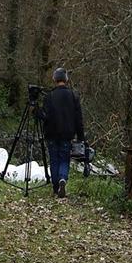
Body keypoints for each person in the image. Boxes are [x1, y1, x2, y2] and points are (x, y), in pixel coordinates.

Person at [38, 68, 85, 198]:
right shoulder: (73, 96)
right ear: (66, 79)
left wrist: (36, 111)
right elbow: (78, 118)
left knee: (54, 160)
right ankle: (62, 178)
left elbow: (44, 115)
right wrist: (81, 137)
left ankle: (55, 187)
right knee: (64, 159)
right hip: (67, 133)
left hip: (52, 133)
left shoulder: (49, 96)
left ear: (54, 79)